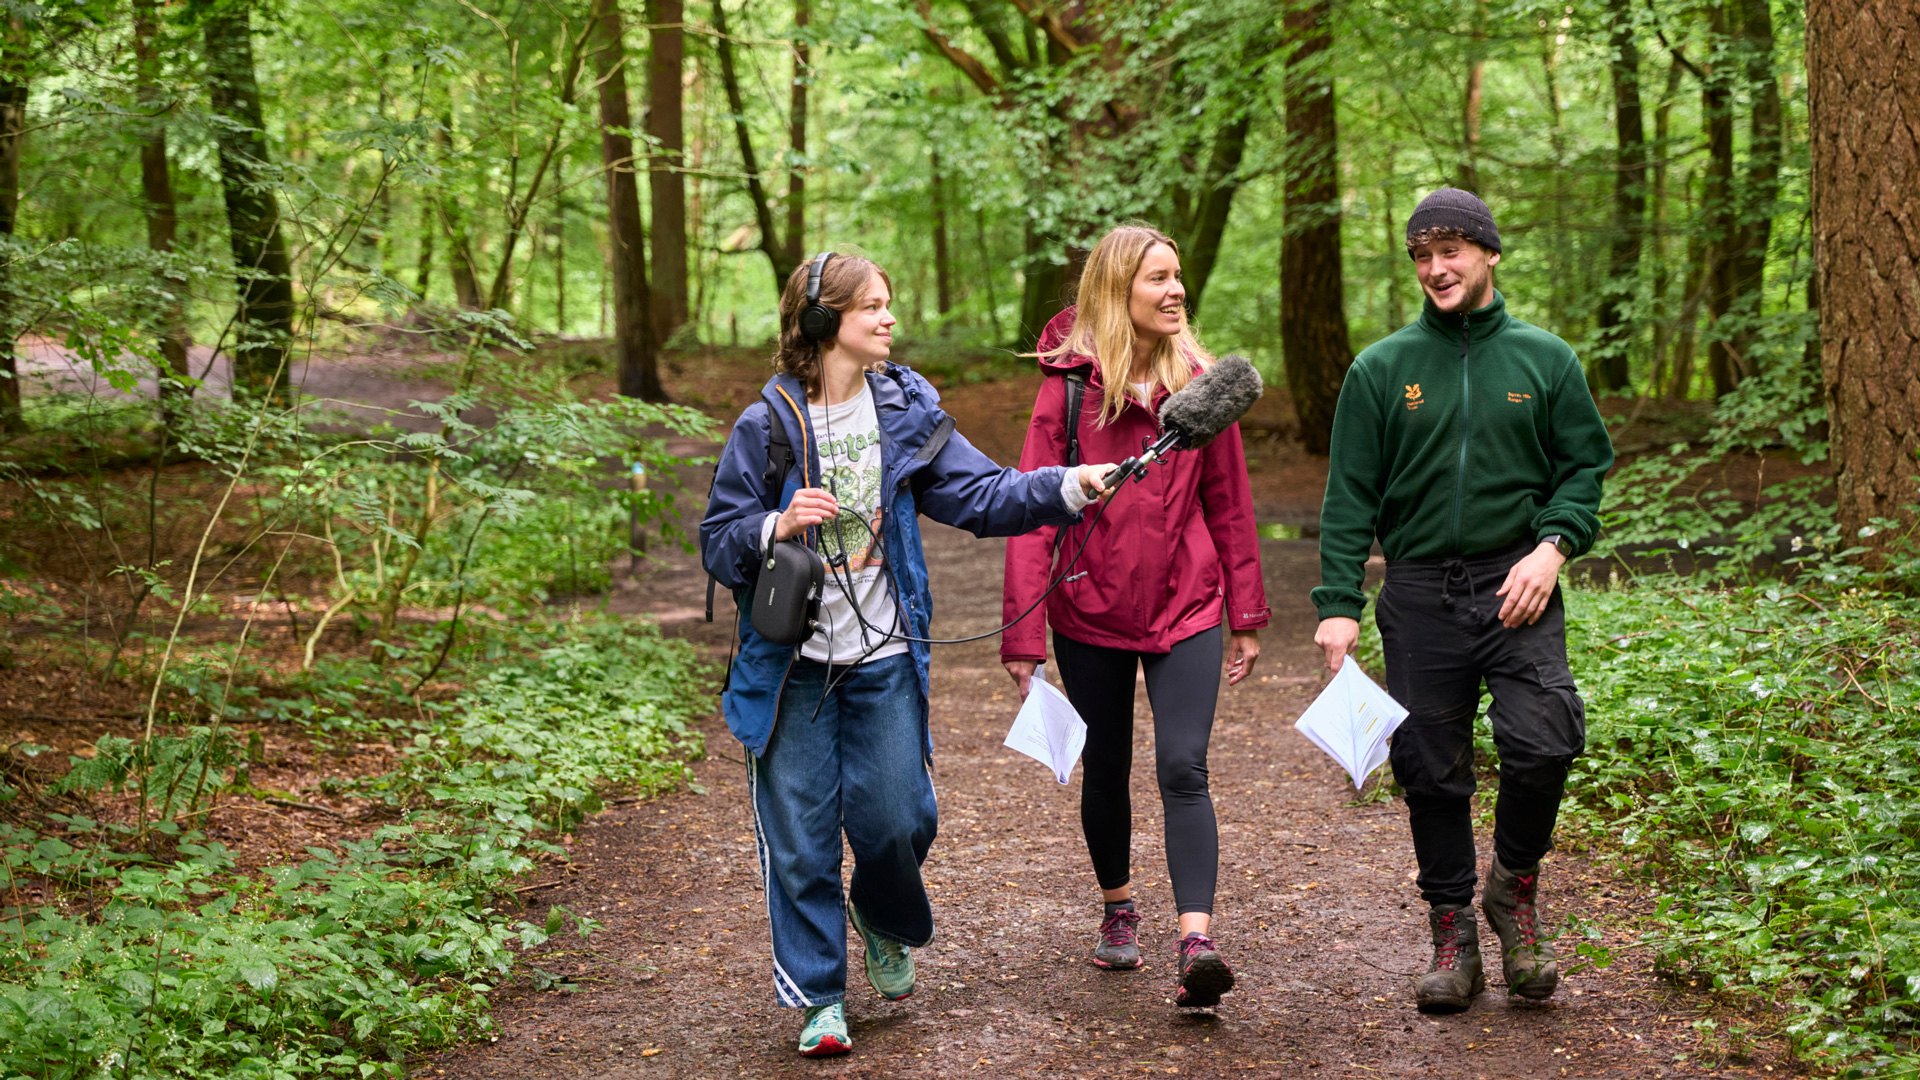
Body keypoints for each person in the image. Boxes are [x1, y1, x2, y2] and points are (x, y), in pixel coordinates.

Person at [701, 251, 1116, 1057]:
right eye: (872, 307)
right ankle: (822, 997)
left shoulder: (903, 407)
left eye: (890, 304)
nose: (890, 319)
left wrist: (1069, 485)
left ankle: (881, 914)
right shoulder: (767, 425)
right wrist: (777, 526)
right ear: (824, 322)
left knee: (900, 819)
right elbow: (719, 541)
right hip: (790, 670)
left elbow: (983, 494)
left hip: (885, 654)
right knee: (802, 840)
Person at [1311, 188, 1615, 1013]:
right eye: (1420, 254)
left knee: (1544, 737)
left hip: (1517, 582)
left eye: (1450, 249)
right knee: (1429, 770)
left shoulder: (1545, 359)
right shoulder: (1382, 369)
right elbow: (1350, 498)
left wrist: (1551, 549)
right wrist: (1339, 601)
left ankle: (1512, 891)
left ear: (1487, 253)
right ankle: (1453, 931)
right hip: (1418, 593)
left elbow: (1583, 468)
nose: (1435, 268)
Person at [1001, 224, 1270, 1009]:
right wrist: (1024, 634)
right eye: (1158, 278)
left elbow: (1231, 503)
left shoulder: (1204, 386)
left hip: (1188, 604)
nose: (1176, 290)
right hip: (1090, 609)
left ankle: (1197, 941)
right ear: (1120, 292)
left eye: (1179, 276)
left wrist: (1244, 611)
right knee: (1107, 766)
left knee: (1184, 766)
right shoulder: (1071, 389)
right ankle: (1120, 908)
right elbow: (1031, 509)